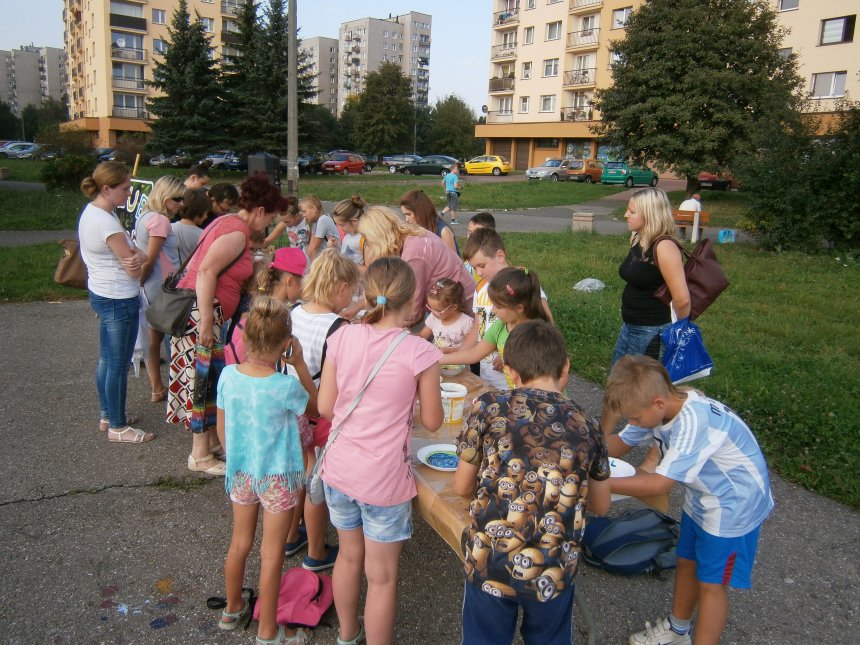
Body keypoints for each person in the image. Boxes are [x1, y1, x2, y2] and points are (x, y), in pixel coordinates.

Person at [453, 320, 610, 645]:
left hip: (490, 562)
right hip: (554, 568)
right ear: (565, 367)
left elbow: (461, 487)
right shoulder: (588, 423)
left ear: (510, 371)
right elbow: (601, 504)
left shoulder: (488, 406)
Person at [603, 356, 773, 645]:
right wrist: (574, 454)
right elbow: (620, 443)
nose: (632, 423)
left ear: (658, 403)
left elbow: (659, 483)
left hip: (734, 505)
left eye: (634, 418)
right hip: (704, 496)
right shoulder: (654, 408)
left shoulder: (693, 421)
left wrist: (598, 484)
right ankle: (677, 631)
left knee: (711, 584)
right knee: (687, 561)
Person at [318, 256, 442, 645]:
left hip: (339, 470)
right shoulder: (419, 352)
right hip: (383, 481)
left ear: (367, 294)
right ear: (413, 298)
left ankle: (347, 634)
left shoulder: (342, 337)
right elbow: (433, 421)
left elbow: (325, 407)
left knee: (347, 557)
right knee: (382, 577)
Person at [167, 174, 288, 476]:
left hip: (205, 312)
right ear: (260, 210)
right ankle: (199, 455)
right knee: (203, 382)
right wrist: (207, 322)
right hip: (202, 314)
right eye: (270, 218)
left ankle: (209, 443)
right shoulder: (236, 232)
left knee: (208, 380)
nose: (269, 224)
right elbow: (206, 272)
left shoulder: (228, 223)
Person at [216, 296, 314, 645]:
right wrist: (300, 365)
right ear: (285, 343)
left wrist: (236, 458)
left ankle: (232, 608)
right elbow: (317, 408)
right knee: (271, 554)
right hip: (278, 478)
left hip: (242, 471)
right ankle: (268, 631)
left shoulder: (228, 376)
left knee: (239, 542)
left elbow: (222, 428)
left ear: (245, 337)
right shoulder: (285, 386)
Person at [284, 249, 361, 573]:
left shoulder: (294, 312)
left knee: (299, 472)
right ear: (340, 287)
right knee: (315, 478)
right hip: (319, 412)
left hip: (290, 407)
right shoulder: (338, 327)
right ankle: (316, 551)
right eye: (352, 291)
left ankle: (291, 536)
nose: (352, 298)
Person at [604, 187, 691, 471]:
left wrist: (677, 333)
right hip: (631, 326)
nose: (626, 215)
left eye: (632, 211)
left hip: (652, 331)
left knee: (650, 392)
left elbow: (682, 298)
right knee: (616, 383)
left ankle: (653, 458)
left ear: (650, 214)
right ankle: (600, 440)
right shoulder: (639, 239)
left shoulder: (664, 247)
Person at [78, 161, 154, 443]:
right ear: (107, 189)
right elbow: (133, 268)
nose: (129, 193)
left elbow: (135, 257)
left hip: (102, 291)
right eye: (125, 188)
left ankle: (108, 414)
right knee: (118, 364)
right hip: (118, 297)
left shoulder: (94, 212)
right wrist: (142, 255)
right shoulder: (107, 223)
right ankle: (118, 427)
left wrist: (139, 255)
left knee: (107, 359)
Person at [460, 229, 553, 389]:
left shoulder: (521, 283)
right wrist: (460, 353)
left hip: (517, 379)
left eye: (481, 266)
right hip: (487, 375)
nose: (478, 272)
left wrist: (510, 356)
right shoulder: (480, 287)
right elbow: (478, 326)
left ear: (500, 256)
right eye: (474, 268)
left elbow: (547, 324)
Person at [357, 206, 475, 331]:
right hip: (449, 306)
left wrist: (376, 326)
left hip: (461, 314)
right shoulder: (411, 236)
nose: (366, 244)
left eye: (367, 238)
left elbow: (412, 312)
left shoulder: (414, 254)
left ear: (377, 236)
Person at [442, 266, 550, 390]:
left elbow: (547, 379)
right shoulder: (500, 326)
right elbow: (474, 353)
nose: (493, 310)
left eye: (498, 306)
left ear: (519, 308)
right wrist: (438, 359)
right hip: (516, 394)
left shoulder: (538, 336)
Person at [134, 175, 183, 403]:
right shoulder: (161, 220)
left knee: (153, 339)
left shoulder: (145, 216)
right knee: (175, 338)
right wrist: (140, 281)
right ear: (165, 197)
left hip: (153, 286)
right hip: (164, 288)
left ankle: (157, 387)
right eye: (177, 199)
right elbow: (150, 258)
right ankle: (178, 387)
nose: (181, 204)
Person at [224, 247, 307, 366]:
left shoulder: (257, 310)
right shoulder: (280, 319)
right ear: (290, 281)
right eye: (303, 281)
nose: (304, 287)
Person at [418, 278, 473, 352]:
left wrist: (450, 351)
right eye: (430, 307)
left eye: (438, 310)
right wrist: (409, 337)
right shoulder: (433, 317)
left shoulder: (466, 322)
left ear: (453, 307)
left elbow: (471, 347)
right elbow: (423, 335)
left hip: (457, 358)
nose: (433, 312)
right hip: (437, 357)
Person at [400, 189, 458, 255]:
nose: (406, 219)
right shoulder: (415, 230)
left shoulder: (443, 232)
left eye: (409, 214)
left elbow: (452, 260)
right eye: (405, 215)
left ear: (421, 212)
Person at [172, 188, 210, 265]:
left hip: (171, 270)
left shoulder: (170, 227)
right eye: (206, 213)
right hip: (191, 271)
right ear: (199, 212)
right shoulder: (203, 234)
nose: (206, 216)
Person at [301, 195, 341, 261]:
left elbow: (314, 249)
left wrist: (313, 266)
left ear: (314, 209)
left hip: (331, 260)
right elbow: (310, 248)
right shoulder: (316, 222)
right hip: (326, 259)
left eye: (304, 211)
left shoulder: (323, 220)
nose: (303, 215)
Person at [330, 195, 367, 265]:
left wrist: (348, 267)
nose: (339, 228)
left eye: (341, 225)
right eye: (337, 224)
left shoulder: (363, 239)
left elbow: (368, 267)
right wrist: (336, 246)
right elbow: (345, 253)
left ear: (354, 221)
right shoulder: (348, 235)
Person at [463, 211, 497, 281]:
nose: (470, 237)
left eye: (476, 234)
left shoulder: (491, 263)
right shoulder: (468, 258)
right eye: (469, 233)